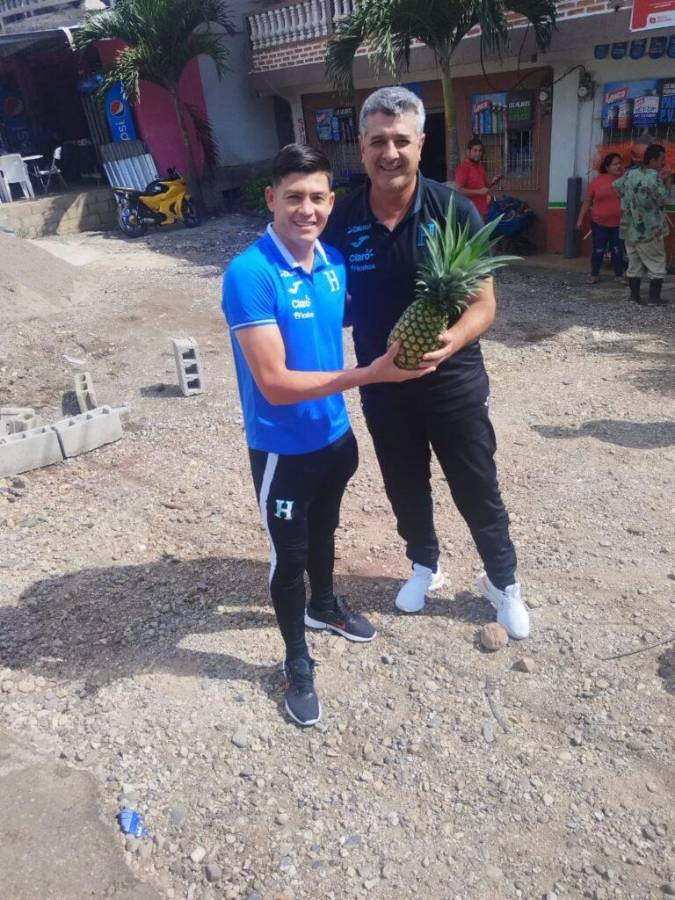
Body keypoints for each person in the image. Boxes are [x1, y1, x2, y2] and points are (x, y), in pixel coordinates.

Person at [221, 143, 433, 726]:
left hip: (336, 438)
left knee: (326, 531)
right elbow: (274, 384)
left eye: (317, 197)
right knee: (289, 556)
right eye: (293, 197)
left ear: (332, 203)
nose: (306, 209)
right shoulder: (250, 274)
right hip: (282, 448)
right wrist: (370, 374)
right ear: (271, 199)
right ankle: (296, 658)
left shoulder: (335, 263)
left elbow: (366, 313)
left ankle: (324, 605)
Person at [323, 86, 530, 639]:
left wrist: (452, 339)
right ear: (362, 148)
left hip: (453, 378)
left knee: (476, 483)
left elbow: (484, 304)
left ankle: (503, 582)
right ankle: (425, 564)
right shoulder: (342, 218)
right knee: (403, 482)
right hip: (382, 379)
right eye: (377, 142)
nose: (388, 153)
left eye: (400, 140)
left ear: (420, 142)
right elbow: (329, 300)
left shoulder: (453, 208)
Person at [613, 143, 672, 306]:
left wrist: (629, 203)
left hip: (629, 228)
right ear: (652, 160)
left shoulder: (631, 173)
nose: (664, 163)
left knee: (634, 264)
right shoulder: (654, 177)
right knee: (657, 263)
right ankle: (654, 298)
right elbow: (663, 200)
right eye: (662, 159)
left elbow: (615, 186)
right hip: (649, 230)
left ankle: (634, 297)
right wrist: (667, 181)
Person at [575, 153, 625, 284]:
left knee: (618, 250)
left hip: (618, 223)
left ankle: (619, 275)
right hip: (599, 223)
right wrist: (580, 219)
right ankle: (594, 274)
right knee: (598, 250)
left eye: (620, 163)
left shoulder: (624, 180)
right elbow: (587, 201)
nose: (618, 166)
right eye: (615, 164)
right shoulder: (597, 181)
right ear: (607, 167)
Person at [454, 137, 502, 221]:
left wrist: (493, 181)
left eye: (480, 151)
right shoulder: (463, 168)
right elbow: (458, 190)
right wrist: (478, 191)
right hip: (470, 212)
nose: (478, 153)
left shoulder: (480, 167)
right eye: (475, 150)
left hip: (482, 210)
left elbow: (485, 186)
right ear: (468, 152)